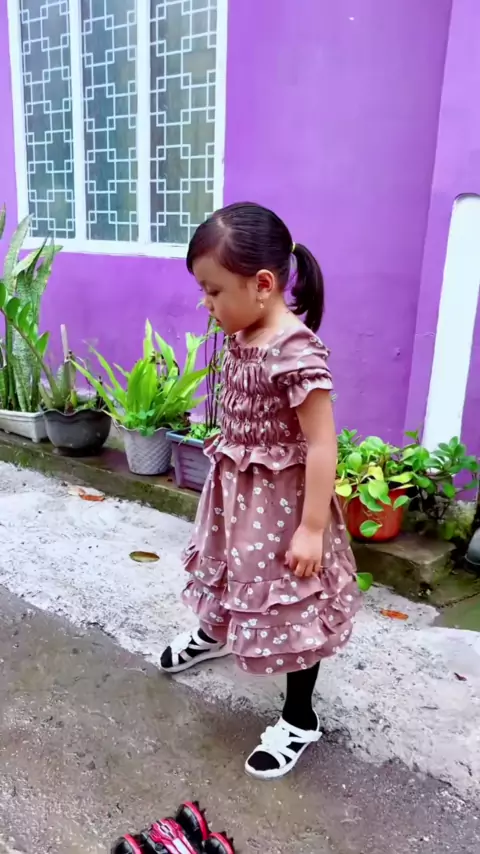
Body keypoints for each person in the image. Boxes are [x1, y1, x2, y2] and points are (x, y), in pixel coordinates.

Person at [160, 202, 361, 780]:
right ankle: (215, 632)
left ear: (263, 284)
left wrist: (312, 528)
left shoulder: (296, 351)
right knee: (228, 571)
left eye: (213, 291)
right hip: (235, 495)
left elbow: (321, 444)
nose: (206, 303)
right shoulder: (242, 331)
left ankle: (300, 717)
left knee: (292, 603)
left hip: (284, 508)